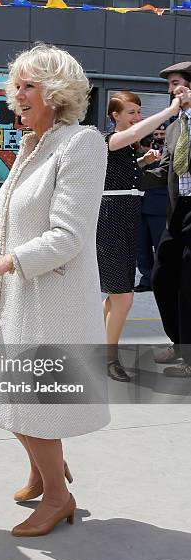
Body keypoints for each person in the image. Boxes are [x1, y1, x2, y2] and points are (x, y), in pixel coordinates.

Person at [0, 43, 110, 537]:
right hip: (21, 295)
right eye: (15, 86)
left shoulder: (82, 143)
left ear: (57, 92)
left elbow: (67, 236)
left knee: (31, 401)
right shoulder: (35, 143)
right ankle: (44, 470)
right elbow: (17, 220)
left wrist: (3, 263)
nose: (16, 96)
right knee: (9, 395)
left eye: (28, 86)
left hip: (50, 299)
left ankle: (58, 496)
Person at [96, 90, 183, 382]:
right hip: (113, 219)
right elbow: (131, 137)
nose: (137, 117)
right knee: (123, 297)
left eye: (139, 111)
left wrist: (143, 162)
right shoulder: (107, 139)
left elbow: (119, 175)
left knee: (115, 296)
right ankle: (108, 359)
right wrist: (171, 110)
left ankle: (100, 353)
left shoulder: (127, 146)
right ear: (115, 116)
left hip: (125, 217)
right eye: (131, 112)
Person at [149, 62, 191, 377]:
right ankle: (179, 343)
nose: (171, 91)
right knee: (162, 277)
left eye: (175, 83)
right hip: (179, 212)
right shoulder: (177, 126)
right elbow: (166, 170)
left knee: (188, 284)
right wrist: (130, 167)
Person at [135, 124, 169, 292]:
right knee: (142, 247)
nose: (158, 137)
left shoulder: (169, 150)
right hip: (141, 205)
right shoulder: (144, 149)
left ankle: (161, 280)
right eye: (156, 133)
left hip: (159, 206)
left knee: (160, 246)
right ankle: (146, 279)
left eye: (162, 133)